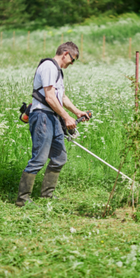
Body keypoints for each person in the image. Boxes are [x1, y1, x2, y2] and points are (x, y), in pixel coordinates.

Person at [16, 41, 89, 207]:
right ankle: (22, 199)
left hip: (52, 117)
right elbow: (49, 97)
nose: (72, 63)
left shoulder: (57, 71)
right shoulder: (49, 66)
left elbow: (61, 97)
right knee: (39, 159)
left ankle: (47, 195)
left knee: (59, 157)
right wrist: (66, 118)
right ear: (65, 54)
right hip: (42, 116)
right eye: (72, 59)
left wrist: (76, 112)